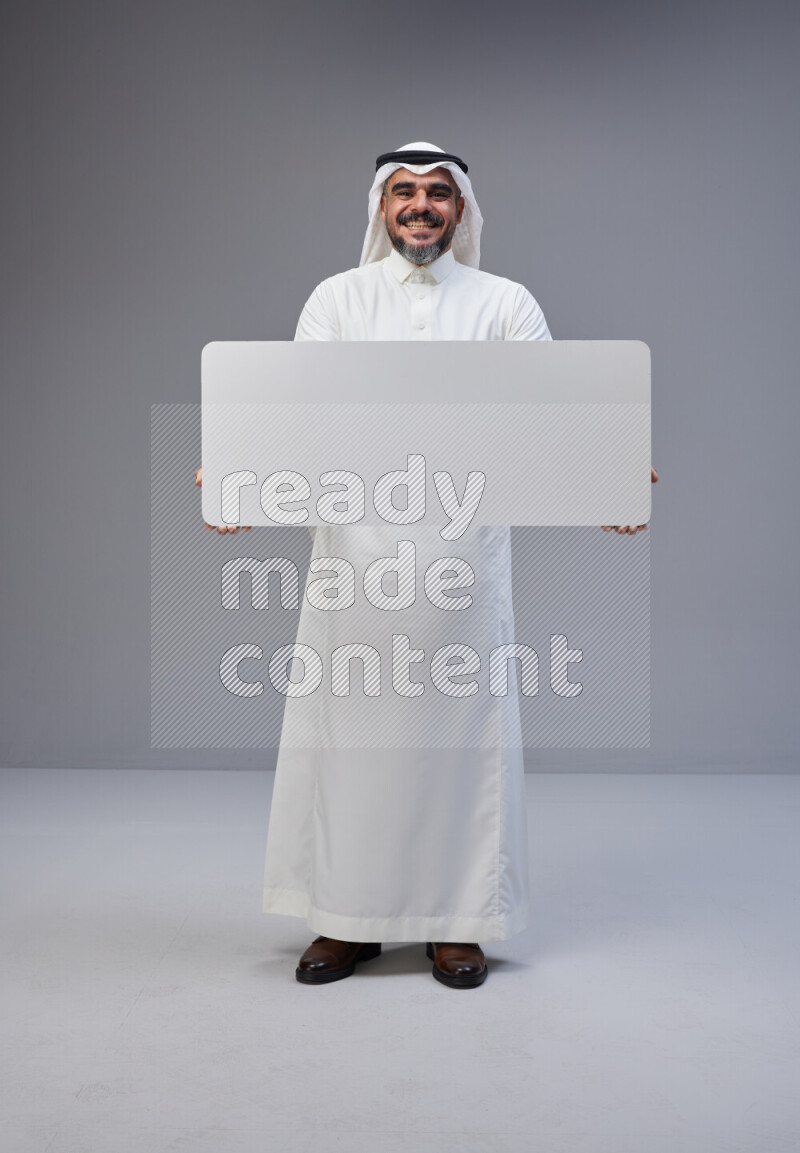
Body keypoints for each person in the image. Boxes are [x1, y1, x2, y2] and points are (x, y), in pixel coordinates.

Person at [197, 141, 656, 988]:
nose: (419, 205)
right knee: (354, 743)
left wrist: (613, 472)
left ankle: (458, 923)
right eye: (403, 192)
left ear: (462, 210)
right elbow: (292, 413)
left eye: (437, 193)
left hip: (462, 569)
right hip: (352, 565)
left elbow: (554, 414)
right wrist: (236, 474)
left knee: (459, 743)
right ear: (379, 207)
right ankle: (345, 920)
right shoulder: (337, 300)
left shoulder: (504, 304)